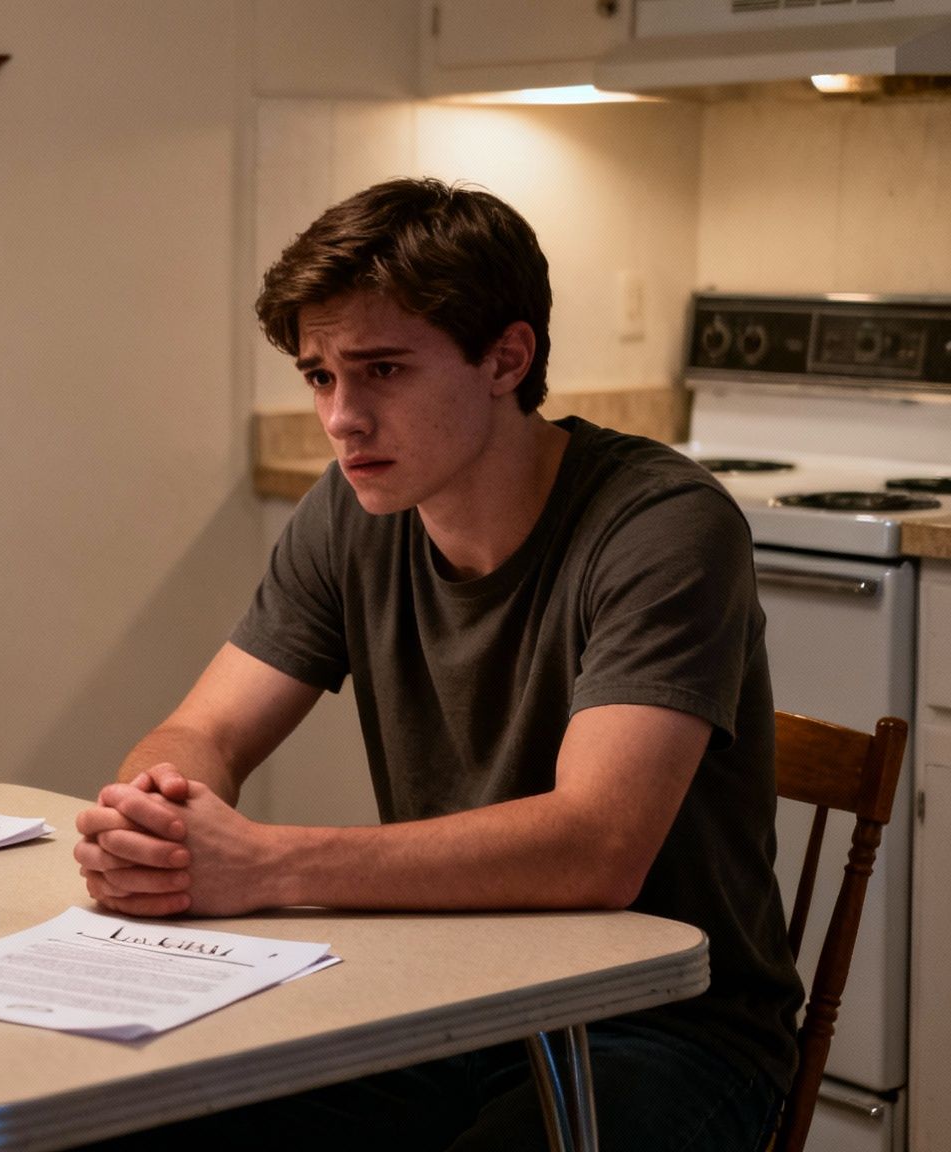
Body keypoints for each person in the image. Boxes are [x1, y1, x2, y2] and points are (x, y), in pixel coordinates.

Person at [73, 177, 801, 1151]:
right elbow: (203, 728)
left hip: (667, 1026)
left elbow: (596, 847)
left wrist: (259, 866)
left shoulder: (661, 525)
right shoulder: (352, 509)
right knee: (123, 1115)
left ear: (506, 357)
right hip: (451, 994)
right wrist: (160, 817)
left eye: (380, 370)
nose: (339, 419)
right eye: (319, 376)